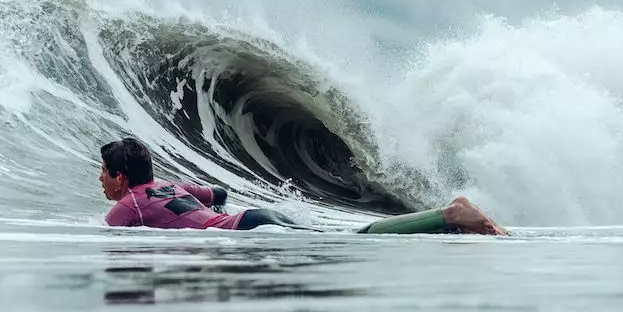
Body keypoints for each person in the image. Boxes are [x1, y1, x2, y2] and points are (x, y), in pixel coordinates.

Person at [99, 138, 507, 236]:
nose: (100, 178)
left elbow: (118, 227)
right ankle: (451, 218)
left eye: (104, 171)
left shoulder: (125, 209)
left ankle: (451, 214)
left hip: (252, 232)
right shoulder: (168, 185)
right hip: (251, 220)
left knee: (357, 239)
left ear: (120, 176)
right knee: (350, 237)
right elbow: (218, 195)